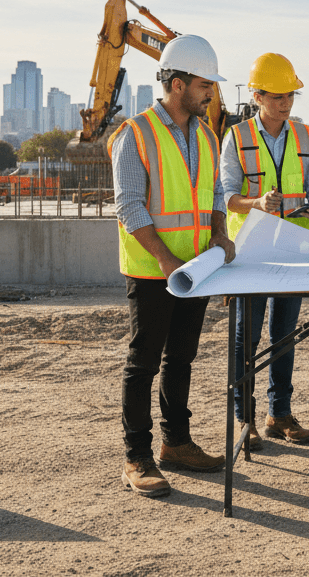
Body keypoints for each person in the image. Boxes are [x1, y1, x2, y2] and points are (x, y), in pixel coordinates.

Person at [110, 34, 237, 498]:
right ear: (179, 84)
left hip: (196, 268)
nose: (211, 94)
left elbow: (216, 192)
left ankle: (176, 443)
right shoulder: (136, 133)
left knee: (180, 357)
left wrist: (220, 233)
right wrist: (166, 259)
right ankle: (136, 457)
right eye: (206, 85)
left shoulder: (206, 133)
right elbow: (128, 205)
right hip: (153, 269)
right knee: (143, 362)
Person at [221, 52, 309, 449]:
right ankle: (243, 418)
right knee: (246, 339)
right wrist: (256, 204)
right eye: (278, 97)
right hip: (252, 252)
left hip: (294, 250)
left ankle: (279, 414)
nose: (286, 103)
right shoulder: (238, 137)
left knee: (284, 336)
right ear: (258, 95)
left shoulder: (303, 135)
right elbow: (225, 195)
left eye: (290, 96)